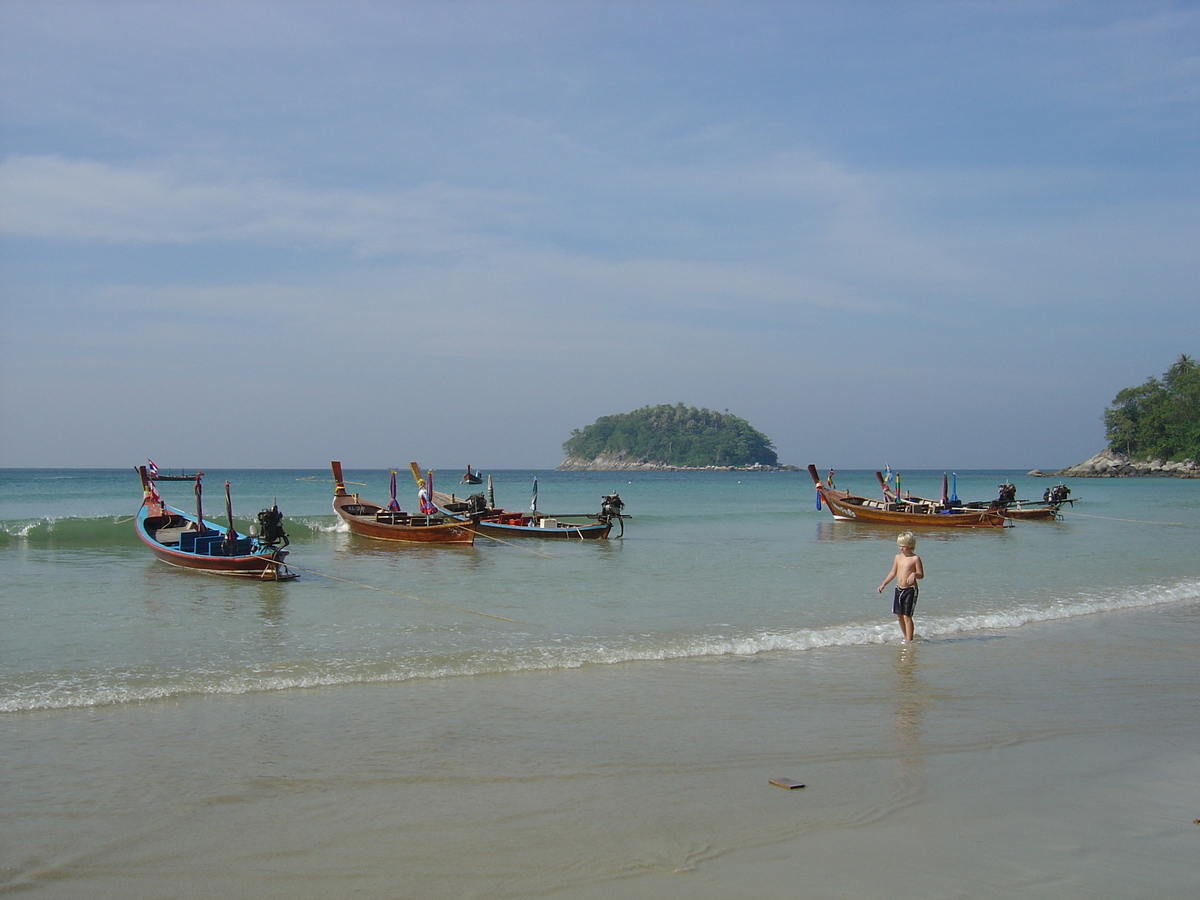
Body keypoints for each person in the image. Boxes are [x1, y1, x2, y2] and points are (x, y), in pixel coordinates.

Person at [878, 531, 924, 642]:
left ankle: (910, 639)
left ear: (910, 545)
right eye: (899, 546)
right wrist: (884, 584)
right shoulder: (898, 557)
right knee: (899, 616)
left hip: (910, 590)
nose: (901, 548)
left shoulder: (915, 558)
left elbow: (921, 575)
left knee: (907, 616)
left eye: (903, 546)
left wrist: (914, 574)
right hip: (899, 589)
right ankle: (905, 637)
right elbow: (893, 572)